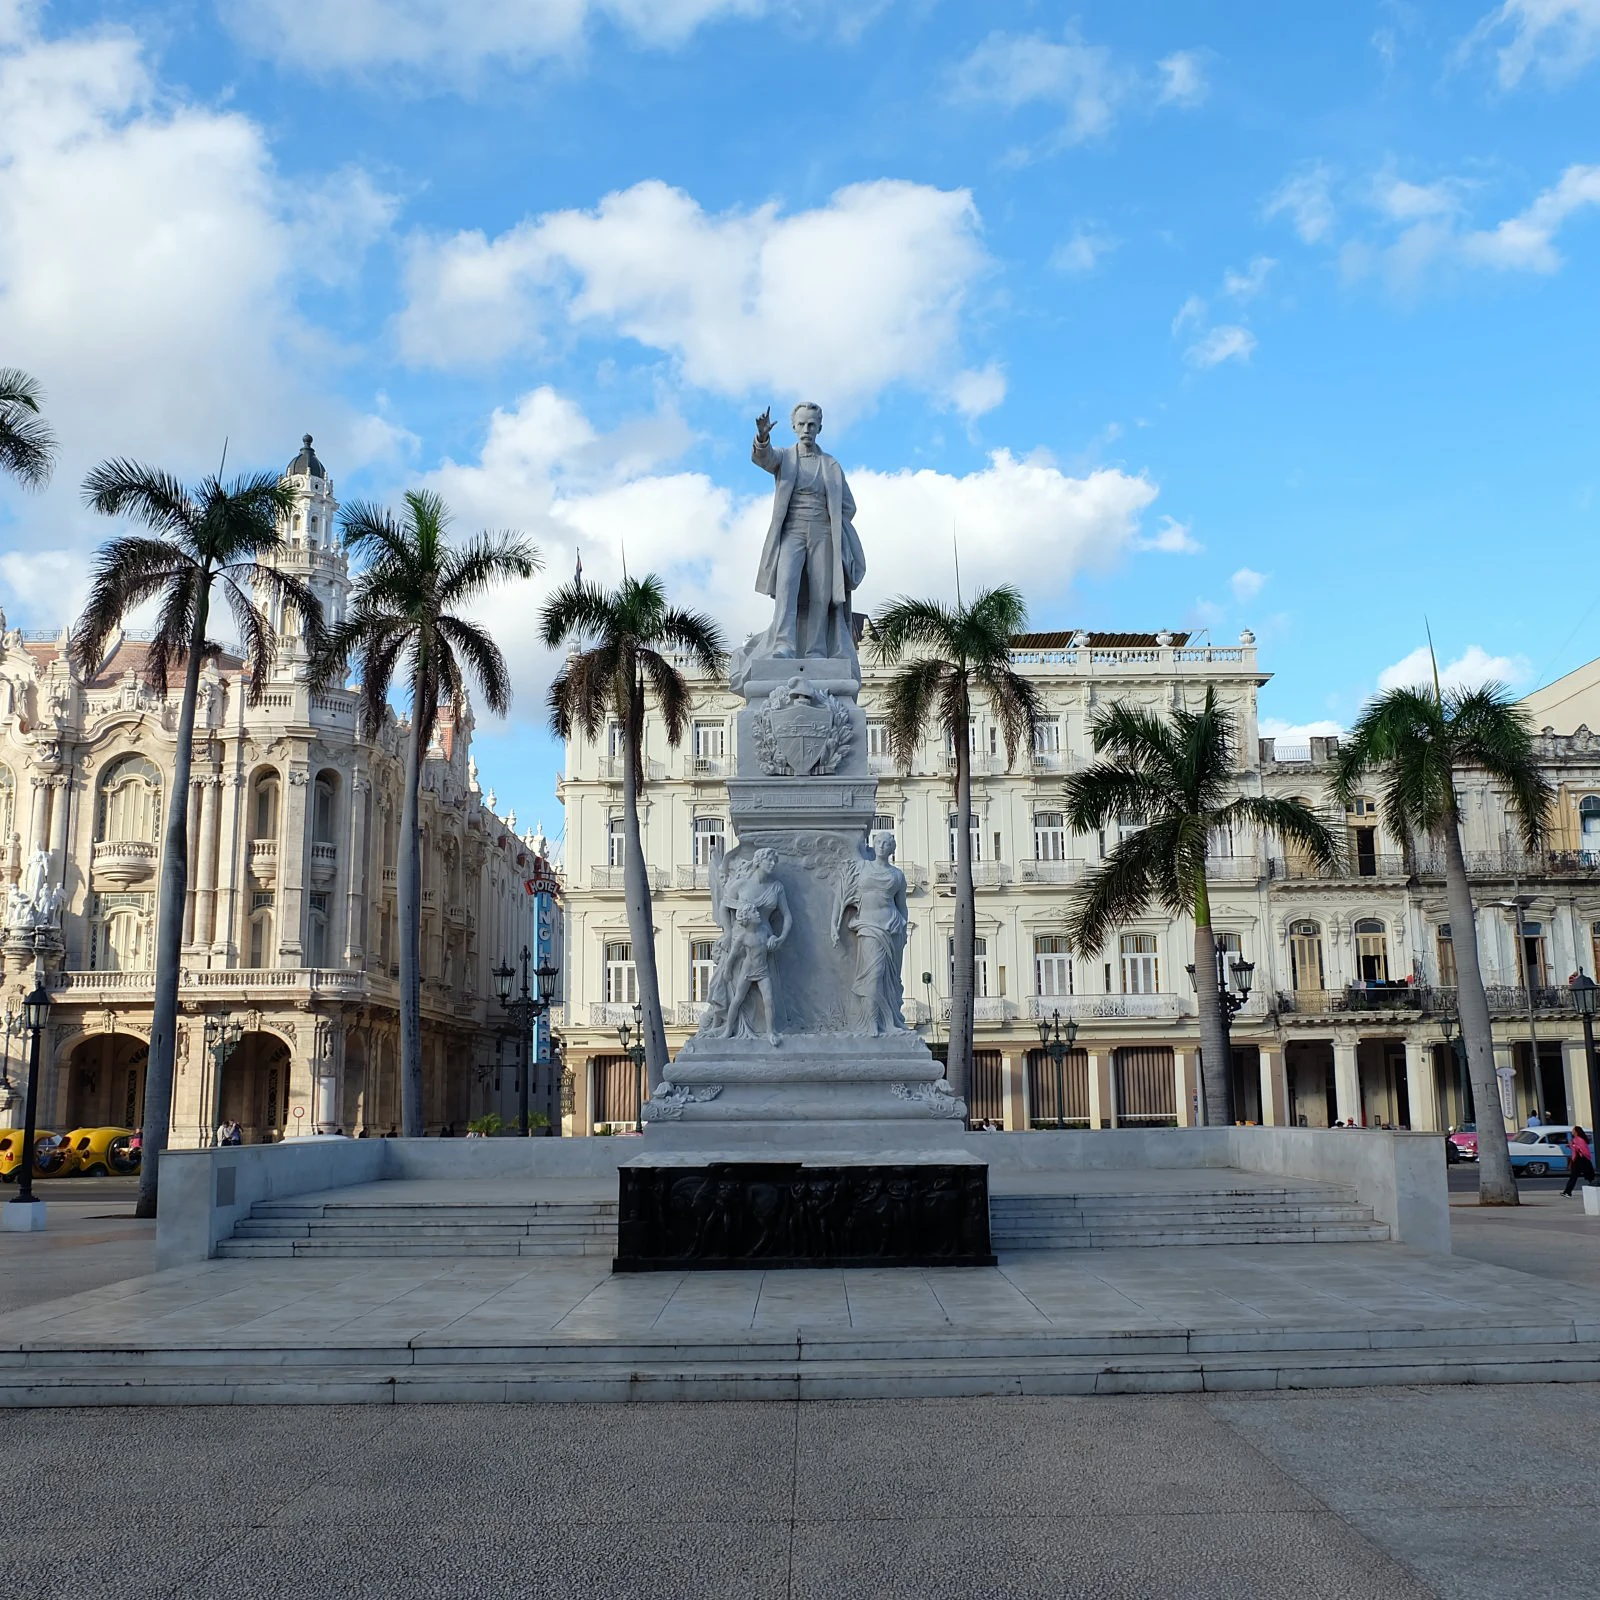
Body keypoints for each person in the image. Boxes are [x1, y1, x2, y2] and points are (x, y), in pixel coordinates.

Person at [1563, 1124, 1595, 1196]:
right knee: (1577, 1176)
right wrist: (1571, 1146)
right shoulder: (1576, 1139)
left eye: (1573, 1130)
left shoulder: (1579, 1139)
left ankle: (1567, 1191)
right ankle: (1567, 1191)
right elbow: (1576, 1148)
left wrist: (1572, 1145)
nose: (1572, 1131)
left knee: (1584, 1175)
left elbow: (1581, 1148)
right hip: (1579, 1159)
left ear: (1576, 1131)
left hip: (1581, 1159)